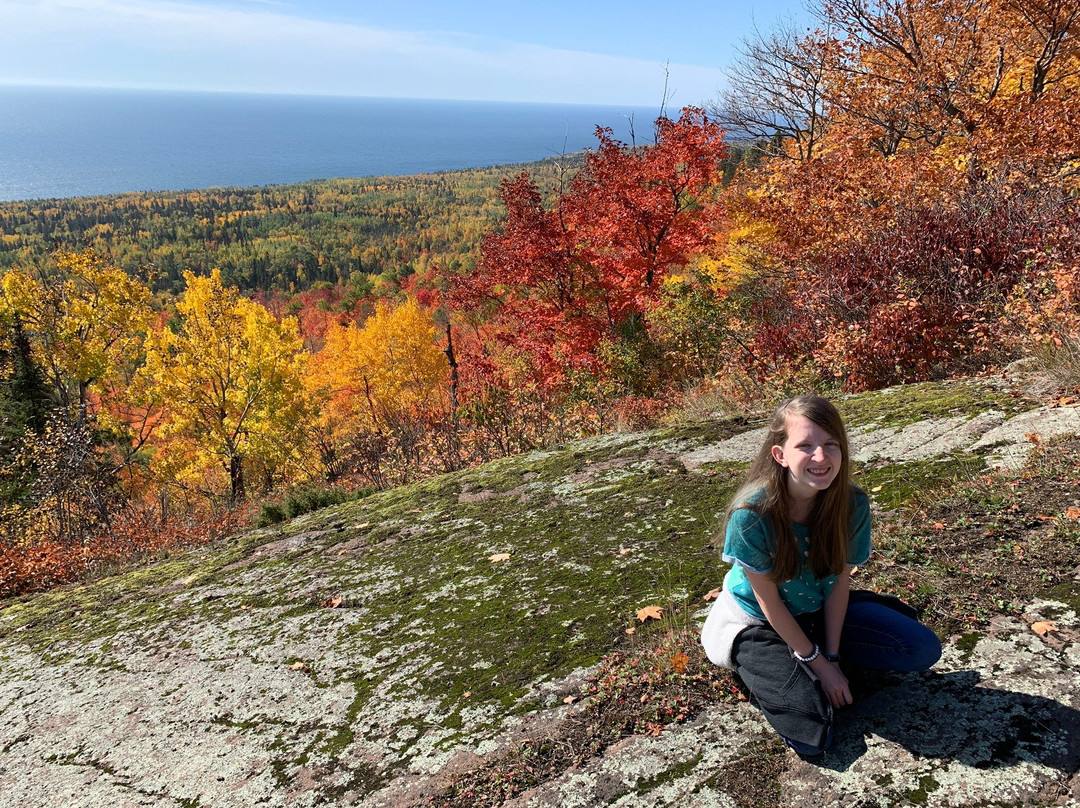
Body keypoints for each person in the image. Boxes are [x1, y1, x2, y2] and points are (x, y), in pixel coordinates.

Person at [700, 395, 941, 759]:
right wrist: (818, 663)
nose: (821, 456)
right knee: (813, 735)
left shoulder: (851, 504)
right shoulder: (752, 513)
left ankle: (815, 659)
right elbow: (767, 599)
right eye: (806, 445)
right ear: (780, 455)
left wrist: (831, 653)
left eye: (831, 444)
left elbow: (840, 581)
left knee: (921, 648)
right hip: (760, 621)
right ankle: (766, 665)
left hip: (817, 607)